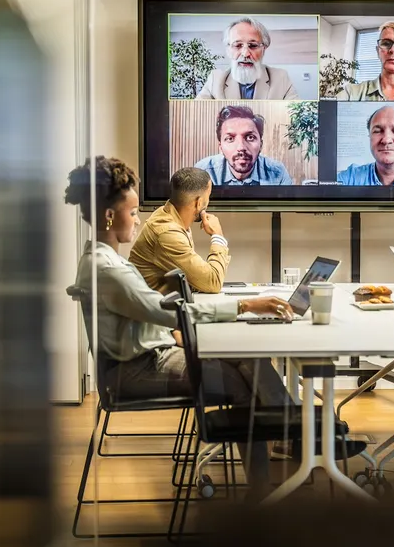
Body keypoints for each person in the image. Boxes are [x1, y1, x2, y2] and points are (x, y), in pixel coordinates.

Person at [64, 156, 294, 489]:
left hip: (145, 356)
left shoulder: (103, 260)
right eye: (132, 213)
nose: (139, 221)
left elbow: (159, 312)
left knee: (248, 359)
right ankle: (266, 484)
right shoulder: (109, 270)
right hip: (138, 371)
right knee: (245, 380)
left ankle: (292, 436)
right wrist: (246, 305)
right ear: (110, 216)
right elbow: (173, 313)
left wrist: (182, 328)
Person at [129, 167, 230, 294]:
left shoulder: (171, 217)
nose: (208, 202)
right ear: (199, 203)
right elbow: (212, 282)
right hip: (153, 311)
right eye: (208, 196)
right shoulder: (167, 233)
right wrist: (218, 236)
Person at [196, 17, 299, 100]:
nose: (245, 54)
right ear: (228, 49)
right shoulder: (216, 79)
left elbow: (295, 118)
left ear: (264, 49)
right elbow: (197, 114)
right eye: (237, 45)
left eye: (253, 46)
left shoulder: (280, 78)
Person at [194, 105, 293, 185]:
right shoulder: (203, 172)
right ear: (221, 147)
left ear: (261, 144)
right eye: (230, 139)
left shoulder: (278, 173)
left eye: (250, 137)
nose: (241, 147)